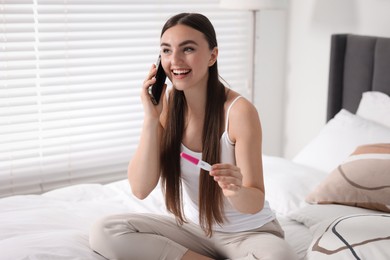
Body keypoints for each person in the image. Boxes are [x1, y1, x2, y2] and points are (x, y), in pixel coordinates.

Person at [89, 12, 298, 260]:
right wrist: (151, 119)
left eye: (187, 49)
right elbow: (140, 189)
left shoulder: (239, 112)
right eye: (166, 51)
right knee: (105, 231)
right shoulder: (166, 107)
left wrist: (235, 189)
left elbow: (253, 202)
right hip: (197, 233)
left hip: (249, 234)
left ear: (212, 56)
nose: (174, 60)